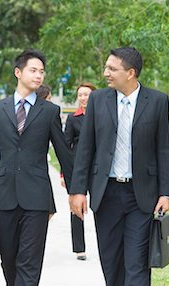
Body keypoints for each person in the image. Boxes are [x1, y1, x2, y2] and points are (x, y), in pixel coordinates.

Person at [69, 47, 169, 286]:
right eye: (106, 67)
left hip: (142, 196)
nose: (106, 73)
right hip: (107, 194)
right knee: (111, 263)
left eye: (112, 69)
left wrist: (165, 193)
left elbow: (164, 149)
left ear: (130, 73)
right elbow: (86, 148)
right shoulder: (98, 100)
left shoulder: (157, 101)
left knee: (137, 264)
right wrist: (77, 191)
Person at [0, 49, 73, 286]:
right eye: (33, 70)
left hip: (37, 199)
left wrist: (76, 191)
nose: (38, 75)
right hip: (6, 196)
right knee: (8, 261)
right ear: (18, 72)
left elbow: (63, 153)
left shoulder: (50, 111)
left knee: (29, 263)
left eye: (41, 71)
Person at [62, 82, 96, 260]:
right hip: (77, 169)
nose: (83, 98)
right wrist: (63, 173)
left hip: (98, 169)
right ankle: (79, 248)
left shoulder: (101, 115)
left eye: (87, 95)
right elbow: (66, 147)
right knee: (76, 208)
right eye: (80, 95)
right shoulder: (73, 119)